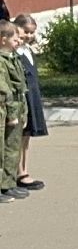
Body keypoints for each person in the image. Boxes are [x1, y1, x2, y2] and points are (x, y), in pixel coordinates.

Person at [12, 14, 47, 190]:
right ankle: (16, 173)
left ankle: (23, 170)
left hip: (31, 97)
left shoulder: (28, 51)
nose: (28, 35)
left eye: (32, 32)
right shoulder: (13, 53)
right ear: (15, 28)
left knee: (26, 137)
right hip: (20, 100)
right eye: (25, 31)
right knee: (16, 138)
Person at [0, 22, 27, 202]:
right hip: (5, 109)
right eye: (14, 39)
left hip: (16, 108)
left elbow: (21, 87)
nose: (18, 41)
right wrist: (11, 114)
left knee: (12, 148)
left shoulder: (12, 58)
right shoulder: (1, 61)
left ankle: (8, 184)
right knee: (2, 150)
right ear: (3, 40)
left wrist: (22, 112)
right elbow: (4, 89)